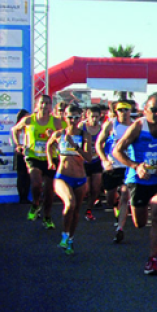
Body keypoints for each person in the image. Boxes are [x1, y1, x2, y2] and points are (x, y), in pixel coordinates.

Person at [113, 93, 157, 275]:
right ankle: (129, 206)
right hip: (139, 179)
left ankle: (152, 260)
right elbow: (117, 151)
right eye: (154, 110)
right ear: (145, 110)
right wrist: (136, 166)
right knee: (140, 223)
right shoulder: (137, 127)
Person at [47, 105, 95, 254]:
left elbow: (88, 158)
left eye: (76, 117)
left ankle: (70, 238)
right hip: (63, 176)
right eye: (70, 117)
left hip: (80, 178)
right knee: (70, 203)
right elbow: (49, 145)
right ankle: (64, 234)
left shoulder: (84, 135)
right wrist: (51, 161)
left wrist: (74, 146)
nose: (73, 120)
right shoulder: (59, 134)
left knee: (75, 211)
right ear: (64, 117)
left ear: (80, 118)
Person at [12, 94, 62, 228]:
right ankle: (35, 204)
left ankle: (47, 216)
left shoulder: (56, 122)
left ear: (51, 106)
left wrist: (55, 136)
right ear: (37, 105)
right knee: (36, 184)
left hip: (50, 158)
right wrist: (19, 144)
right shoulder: (29, 120)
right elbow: (15, 130)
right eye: (42, 103)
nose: (44, 106)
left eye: (47, 103)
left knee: (49, 191)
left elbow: (64, 139)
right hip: (33, 156)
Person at [96, 101, 134, 242]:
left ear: (131, 111)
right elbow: (99, 143)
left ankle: (120, 228)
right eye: (120, 110)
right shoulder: (111, 125)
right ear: (116, 111)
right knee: (110, 198)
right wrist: (104, 160)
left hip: (128, 166)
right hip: (112, 166)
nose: (124, 112)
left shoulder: (135, 125)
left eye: (126, 109)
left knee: (125, 195)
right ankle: (116, 209)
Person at [79, 105, 105, 221]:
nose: (94, 119)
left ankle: (89, 210)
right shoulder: (82, 127)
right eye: (92, 116)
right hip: (83, 161)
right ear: (87, 116)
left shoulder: (102, 128)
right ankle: (77, 208)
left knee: (95, 189)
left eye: (97, 117)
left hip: (96, 161)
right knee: (86, 188)